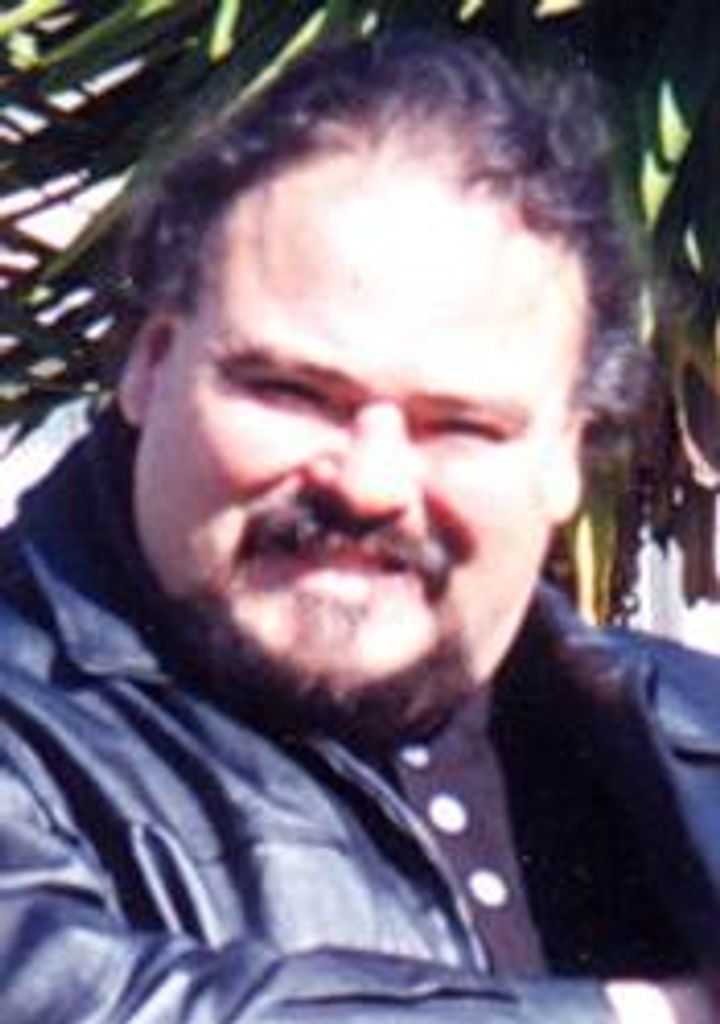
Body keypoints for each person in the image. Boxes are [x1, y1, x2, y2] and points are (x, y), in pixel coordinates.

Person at [0, 32, 718, 1024]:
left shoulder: (691, 731)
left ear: (567, 453)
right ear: (151, 364)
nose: (371, 484)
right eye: (293, 392)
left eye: (461, 425)